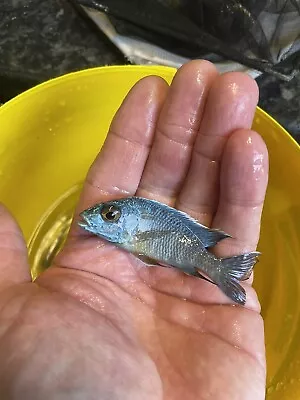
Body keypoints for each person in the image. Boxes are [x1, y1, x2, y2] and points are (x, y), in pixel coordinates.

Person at [0, 60, 268, 399]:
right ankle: (225, 272)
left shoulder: (148, 235)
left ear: (129, 223)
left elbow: (155, 243)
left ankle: (226, 271)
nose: (99, 217)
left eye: (111, 215)